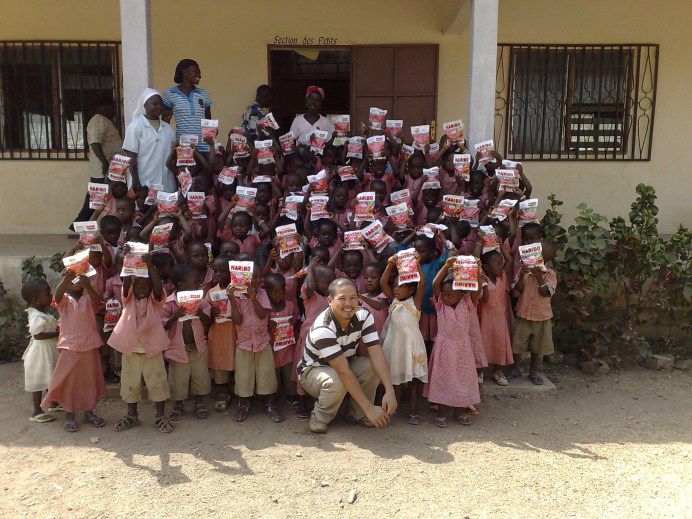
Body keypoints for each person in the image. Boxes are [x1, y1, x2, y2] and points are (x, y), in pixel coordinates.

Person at [298, 278, 397, 434]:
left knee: (371, 367)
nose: (348, 304)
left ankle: (357, 414)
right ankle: (320, 416)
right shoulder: (323, 328)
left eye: (353, 298)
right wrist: (370, 408)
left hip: (344, 364)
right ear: (330, 300)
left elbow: (376, 351)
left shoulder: (364, 316)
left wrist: (390, 391)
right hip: (313, 371)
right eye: (342, 299)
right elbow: (343, 372)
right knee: (337, 380)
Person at [108, 251, 173, 433]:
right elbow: (127, 282)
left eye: (146, 285)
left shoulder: (155, 301)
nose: (142, 288)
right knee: (130, 384)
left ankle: (160, 416)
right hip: (131, 350)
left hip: (152, 350)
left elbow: (158, 286)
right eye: (138, 285)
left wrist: (150, 264)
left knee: (157, 383)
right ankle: (132, 415)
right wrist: (129, 261)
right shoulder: (128, 299)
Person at [41, 271, 107, 432]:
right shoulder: (64, 300)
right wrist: (66, 278)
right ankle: (69, 414)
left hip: (89, 345)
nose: (76, 281)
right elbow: (56, 296)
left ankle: (88, 412)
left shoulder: (88, 299)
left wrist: (87, 285)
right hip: (69, 346)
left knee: (88, 380)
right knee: (69, 381)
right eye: (72, 278)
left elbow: (98, 303)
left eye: (80, 277)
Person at [423, 256, 483, 428]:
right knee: (442, 379)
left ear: (462, 294)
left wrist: (477, 271)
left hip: (463, 349)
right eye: (445, 294)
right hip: (444, 349)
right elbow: (435, 284)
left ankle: (460, 410)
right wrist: (447, 266)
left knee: (463, 378)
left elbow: (477, 289)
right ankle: (441, 411)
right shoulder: (440, 305)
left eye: (451, 295)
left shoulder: (467, 303)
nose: (447, 297)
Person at [379, 254, 428, 425]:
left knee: (413, 383)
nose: (395, 290)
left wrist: (417, 264)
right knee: (396, 381)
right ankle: (394, 409)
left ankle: (414, 412)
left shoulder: (416, 303)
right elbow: (382, 283)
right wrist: (390, 265)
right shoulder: (393, 301)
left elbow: (422, 283)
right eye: (395, 286)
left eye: (400, 287)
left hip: (411, 347)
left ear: (411, 290)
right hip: (395, 348)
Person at [71, 96, 122, 227]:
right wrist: (105, 163)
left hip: (110, 169)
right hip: (102, 170)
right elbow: (95, 143)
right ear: (106, 107)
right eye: (113, 107)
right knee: (94, 201)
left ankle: (78, 225)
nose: (114, 110)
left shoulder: (103, 120)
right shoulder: (98, 120)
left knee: (96, 200)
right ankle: (79, 226)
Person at [122, 88, 176, 193]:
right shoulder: (135, 127)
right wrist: (135, 181)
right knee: (144, 209)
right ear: (144, 105)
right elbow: (131, 158)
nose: (158, 107)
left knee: (166, 209)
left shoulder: (167, 128)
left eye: (161, 104)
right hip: (143, 183)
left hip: (166, 183)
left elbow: (173, 154)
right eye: (154, 103)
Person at [20, 280, 59, 424]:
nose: (51, 296)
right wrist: (56, 334)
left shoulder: (44, 312)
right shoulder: (36, 315)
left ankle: (53, 403)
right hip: (41, 352)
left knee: (51, 376)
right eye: (47, 294)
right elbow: (38, 335)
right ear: (36, 300)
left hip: (49, 350)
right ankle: (36, 411)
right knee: (39, 379)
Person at [161, 59, 213, 154]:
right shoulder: (169, 94)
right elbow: (165, 124)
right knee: (186, 169)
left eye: (199, 72)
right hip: (184, 147)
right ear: (184, 71)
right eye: (195, 71)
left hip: (204, 148)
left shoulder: (204, 94)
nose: (199, 74)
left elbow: (208, 122)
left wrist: (212, 135)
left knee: (208, 169)